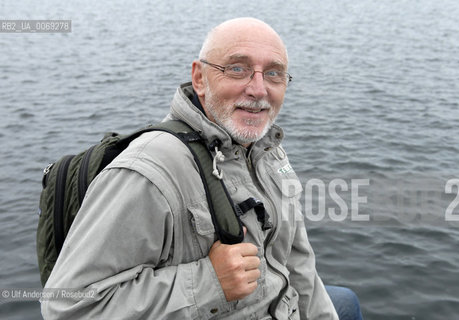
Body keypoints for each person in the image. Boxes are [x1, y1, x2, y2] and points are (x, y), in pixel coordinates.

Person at [41, 17, 362, 319]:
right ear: (199, 77)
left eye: (274, 74)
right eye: (238, 69)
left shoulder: (268, 152)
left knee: (343, 301)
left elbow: (298, 262)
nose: (259, 89)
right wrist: (209, 282)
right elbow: (66, 306)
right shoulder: (148, 172)